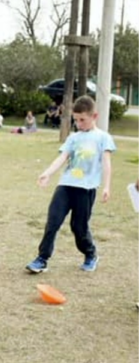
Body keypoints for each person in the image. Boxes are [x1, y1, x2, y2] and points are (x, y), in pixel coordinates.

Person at [25, 96, 116, 274]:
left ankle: (90, 254)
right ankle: (42, 259)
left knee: (79, 227)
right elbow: (63, 157)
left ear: (94, 116)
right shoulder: (74, 137)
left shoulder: (103, 138)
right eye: (76, 119)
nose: (79, 123)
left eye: (82, 119)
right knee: (53, 221)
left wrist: (106, 186)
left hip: (86, 189)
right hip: (66, 185)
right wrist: (47, 173)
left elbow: (106, 163)